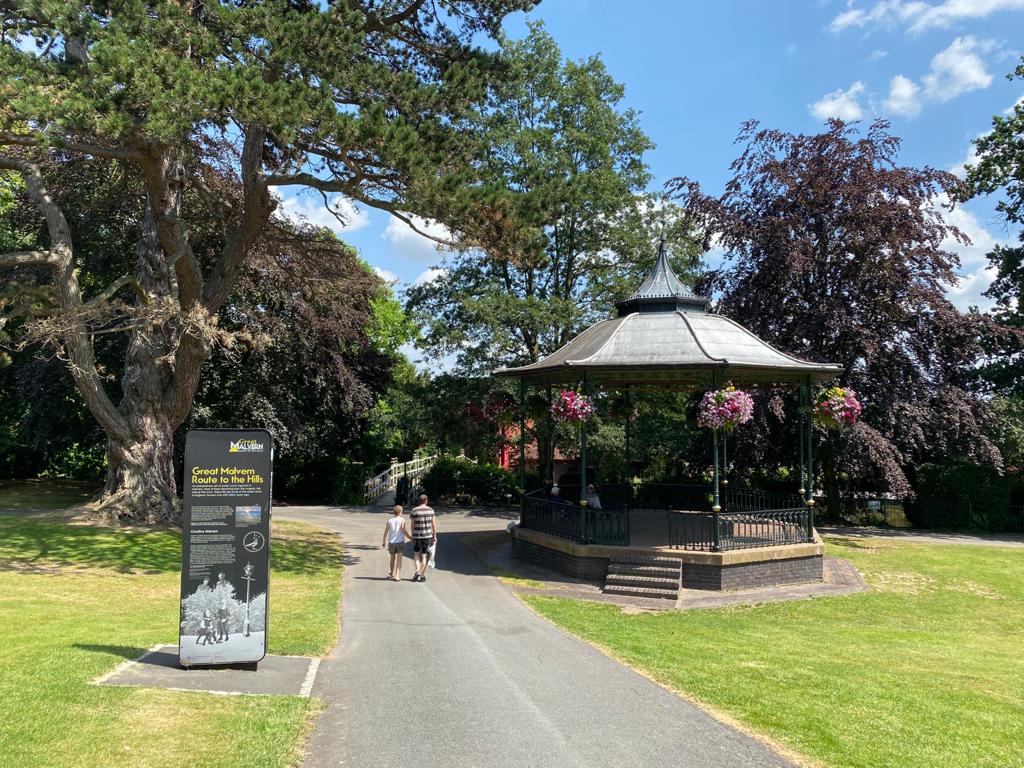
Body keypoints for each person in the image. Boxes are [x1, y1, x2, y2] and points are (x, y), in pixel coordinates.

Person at [409, 494, 436, 582]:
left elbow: (412, 524)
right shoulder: (431, 510)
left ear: (419, 501)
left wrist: (412, 535)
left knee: (416, 554)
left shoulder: (414, 510)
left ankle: (417, 571)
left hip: (417, 535)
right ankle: (422, 575)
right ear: (426, 500)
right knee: (424, 555)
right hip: (427, 535)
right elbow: (433, 525)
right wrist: (434, 536)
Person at [381, 504, 411, 581]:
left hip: (391, 542)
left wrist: (384, 541)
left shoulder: (390, 520)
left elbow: (386, 532)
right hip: (400, 541)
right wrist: (410, 537)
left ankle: (391, 572)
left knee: (392, 558)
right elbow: (403, 530)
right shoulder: (402, 520)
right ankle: (397, 575)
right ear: (400, 512)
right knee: (399, 559)